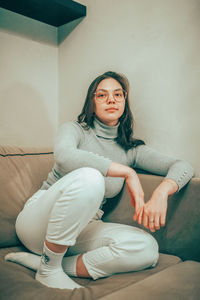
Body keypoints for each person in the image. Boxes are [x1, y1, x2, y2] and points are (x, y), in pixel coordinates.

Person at [5, 71, 194, 290]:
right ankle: (48, 271)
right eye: (102, 95)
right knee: (91, 176)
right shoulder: (75, 130)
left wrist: (162, 192)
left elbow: (183, 166)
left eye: (118, 94)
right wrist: (127, 172)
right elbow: (64, 156)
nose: (111, 99)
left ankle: (47, 262)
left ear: (125, 102)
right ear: (91, 103)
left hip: (82, 229)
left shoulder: (130, 149)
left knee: (146, 248)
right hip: (37, 224)